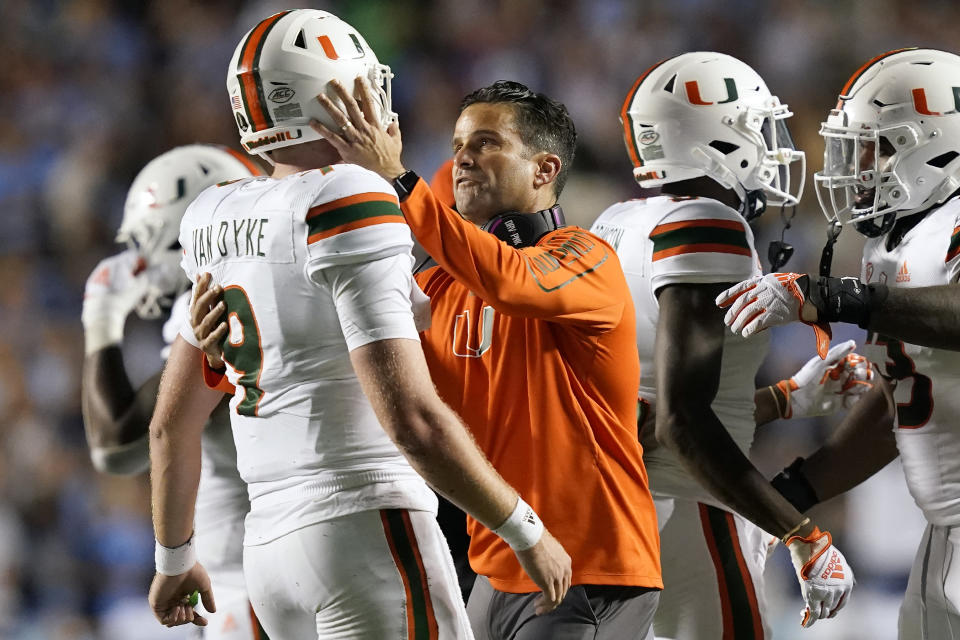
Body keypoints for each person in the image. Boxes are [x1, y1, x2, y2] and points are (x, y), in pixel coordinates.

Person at [147, 9, 570, 640]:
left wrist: (174, 560)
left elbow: (169, 423)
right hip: (363, 520)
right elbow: (411, 419)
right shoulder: (346, 196)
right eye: (360, 85)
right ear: (328, 98)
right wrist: (523, 528)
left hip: (267, 550)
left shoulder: (212, 213)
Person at [299, 76, 664, 639]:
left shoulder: (586, 257)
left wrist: (398, 178)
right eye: (458, 147)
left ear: (544, 170)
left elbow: (514, 282)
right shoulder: (442, 285)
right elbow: (372, 366)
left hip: (593, 569)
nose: (464, 159)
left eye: (486, 143)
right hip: (495, 568)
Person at [588, 52, 858, 634]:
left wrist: (785, 399)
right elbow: (681, 422)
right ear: (718, 137)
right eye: (756, 127)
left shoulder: (618, 218)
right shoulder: (707, 221)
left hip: (623, 507)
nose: (770, 145)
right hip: (692, 511)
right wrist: (801, 534)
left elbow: (659, 394)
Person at [717, 47, 960, 638]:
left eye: (877, 145)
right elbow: (893, 408)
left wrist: (834, 297)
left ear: (935, 142)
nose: (858, 165)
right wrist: (792, 495)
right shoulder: (895, 245)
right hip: (944, 534)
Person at [80, 144, 268, 639]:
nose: (138, 262)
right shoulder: (269, 285)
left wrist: (100, 320)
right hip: (262, 565)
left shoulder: (212, 307)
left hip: (248, 582)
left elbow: (117, 446)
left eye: (147, 240)